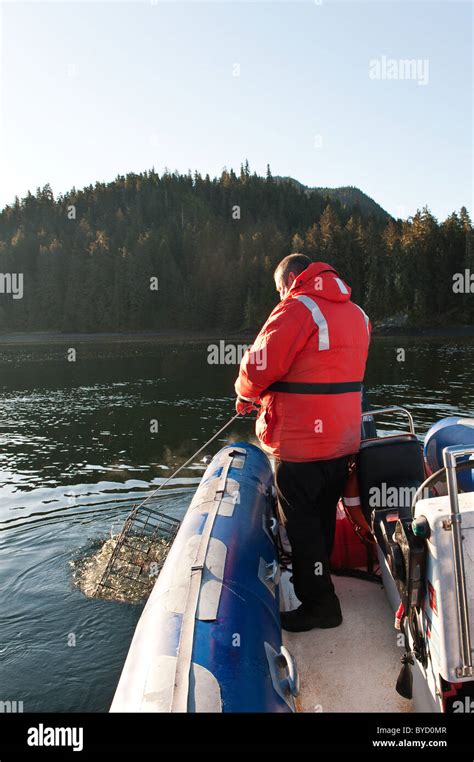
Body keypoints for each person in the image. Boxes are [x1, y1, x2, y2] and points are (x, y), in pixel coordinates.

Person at [235, 254, 371, 632]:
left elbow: (258, 365)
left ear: (292, 278)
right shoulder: (357, 314)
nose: (280, 295)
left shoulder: (297, 308)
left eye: (280, 288)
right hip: (342, 442)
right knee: (324, 517)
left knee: (303, 527)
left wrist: (244, 394)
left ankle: (320, 606)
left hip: (299, 445)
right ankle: (320, 581)